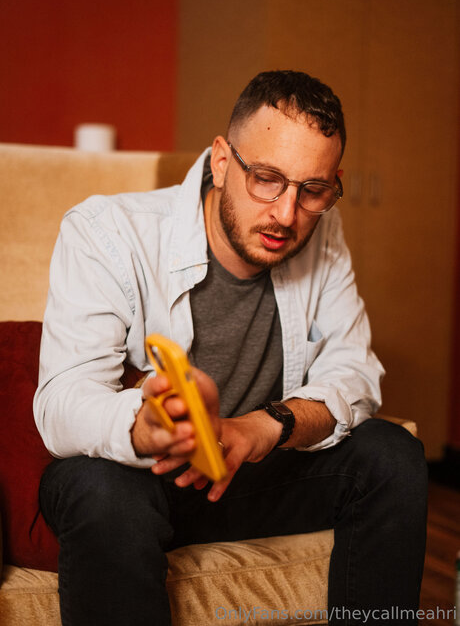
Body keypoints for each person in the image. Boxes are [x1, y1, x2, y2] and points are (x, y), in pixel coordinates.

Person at [34, 70, 427, 625]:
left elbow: (354, 372)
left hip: (247, 473)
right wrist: (145, 426)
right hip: (141, 478)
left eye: (313, 190)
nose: (287, 215)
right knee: (98, 489)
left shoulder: (322, 232)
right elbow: (61, 402)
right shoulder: (108, 233)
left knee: (392, 454)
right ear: (221, 161)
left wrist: (266, 426)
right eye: (267, 179)